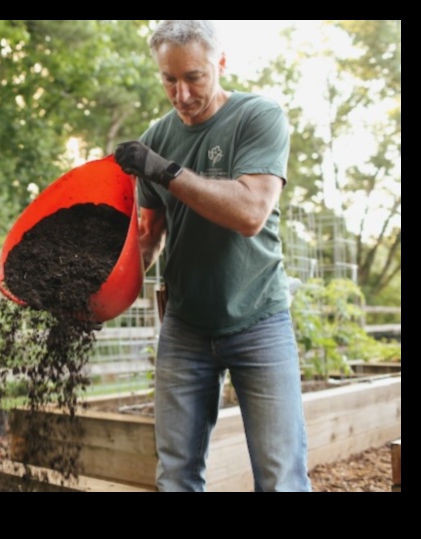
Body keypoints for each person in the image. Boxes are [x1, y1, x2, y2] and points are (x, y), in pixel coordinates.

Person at [113, 20, 311, 492]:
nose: (180, 93)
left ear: (221, 65)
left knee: (281, 476)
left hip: (259, 319)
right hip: (185, 326)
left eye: (194, 77)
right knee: (176, 475)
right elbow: (147, 237)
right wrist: (100, 289)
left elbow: (250, 212)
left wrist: (167, 171)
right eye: (168, 79)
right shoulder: (156, 136)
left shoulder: (258, 117)